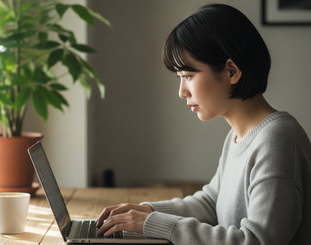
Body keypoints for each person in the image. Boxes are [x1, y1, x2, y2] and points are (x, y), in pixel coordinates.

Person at [95, 4, 311, 245]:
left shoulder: (278, 139)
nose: (181, 92)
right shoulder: (238, 136)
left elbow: (258, 241)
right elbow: (211, 201)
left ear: (231, 71)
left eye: (188, 76)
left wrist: (159, 225)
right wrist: (148, 212)